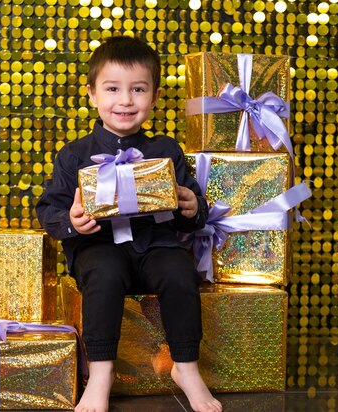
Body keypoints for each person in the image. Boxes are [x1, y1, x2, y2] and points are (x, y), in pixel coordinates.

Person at [36, 36, 222, 412]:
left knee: (179, 271)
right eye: (112, 89)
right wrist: (72, 223)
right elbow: (49, 209)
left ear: (153, 98)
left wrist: (192, 206)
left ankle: (186, 367)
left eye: (138, 89)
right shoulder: (73, 155)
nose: (125, 100)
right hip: (99, 248)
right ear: (92, 94)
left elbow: (194, 207)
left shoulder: (166, 151)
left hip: (156, 245)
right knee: (102, 275)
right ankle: (100, 373)